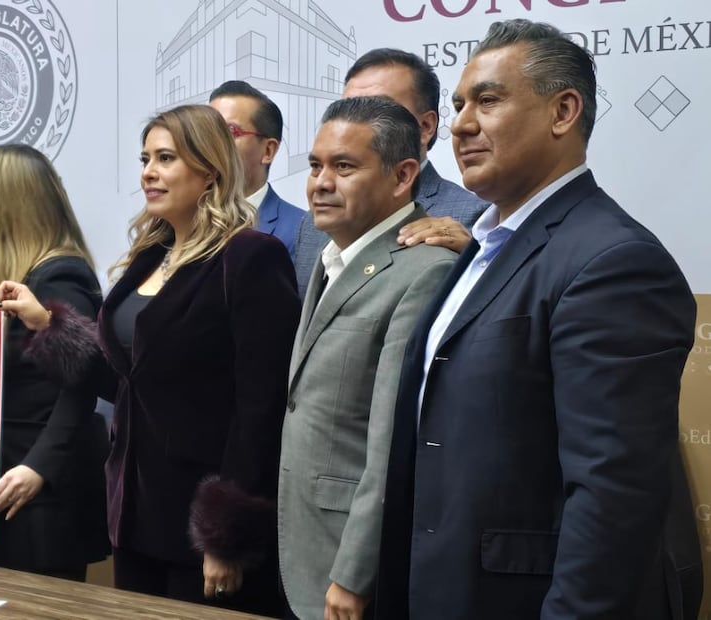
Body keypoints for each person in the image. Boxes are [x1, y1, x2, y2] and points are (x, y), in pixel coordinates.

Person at [376, 20, 703, 619]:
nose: (460, 124)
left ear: (563, 112)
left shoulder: (614, 262)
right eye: (458, 105)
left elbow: (613, 497)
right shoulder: (481, 246)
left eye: (488, 101)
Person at [0, 104, 299, 616]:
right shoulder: (149, 256)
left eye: (166, 158)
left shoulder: (250, 256)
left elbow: (261, 410)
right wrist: (47, 323)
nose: (148, 173)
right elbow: (126, 382)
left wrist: (225, 533)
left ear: (210, 171)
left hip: (202, 523)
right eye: (145, 159)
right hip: (134, 513)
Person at [277, 97, 456, 620]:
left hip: (351, 567)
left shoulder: (425, 271)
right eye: (315, 166)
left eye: (344, 166)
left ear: (403, 176)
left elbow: (391, 445)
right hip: (300, 544)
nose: (320, 183)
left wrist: (355, 574)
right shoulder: (331, 255)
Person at [0, 144, 109, 580]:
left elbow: (80, 383)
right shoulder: (21, 274)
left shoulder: (60, 274)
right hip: (13, 476)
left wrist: (39, 466)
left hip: (41, 488)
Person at [293, 48, 488, 298]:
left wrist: (475, 257)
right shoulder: (310, 226)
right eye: (347, 107)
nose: (354, 122)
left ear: (426, 126)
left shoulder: (474, 221)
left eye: (378, 108)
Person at [209, 80, 306, 258]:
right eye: (207, 131)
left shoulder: (302, 231)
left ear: (268, 151)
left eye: (229, 132)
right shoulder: (179, 223)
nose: (212, 143)